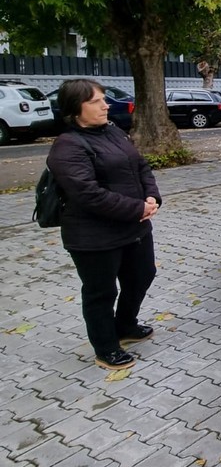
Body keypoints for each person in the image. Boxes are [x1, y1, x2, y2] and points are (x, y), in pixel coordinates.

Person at [46, 79, 162, 370]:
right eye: (96, 101)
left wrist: (151, 196)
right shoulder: (67, 146)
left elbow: (141, 166)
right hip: (93, 237)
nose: (105, 105)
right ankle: (105, 347)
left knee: (142, 275)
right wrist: (138, 208)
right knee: (101, 292)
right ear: (75, 109)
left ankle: (124, 325)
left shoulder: (113, 132)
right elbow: (88, 194)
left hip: (134, 227)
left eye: (104, 99)